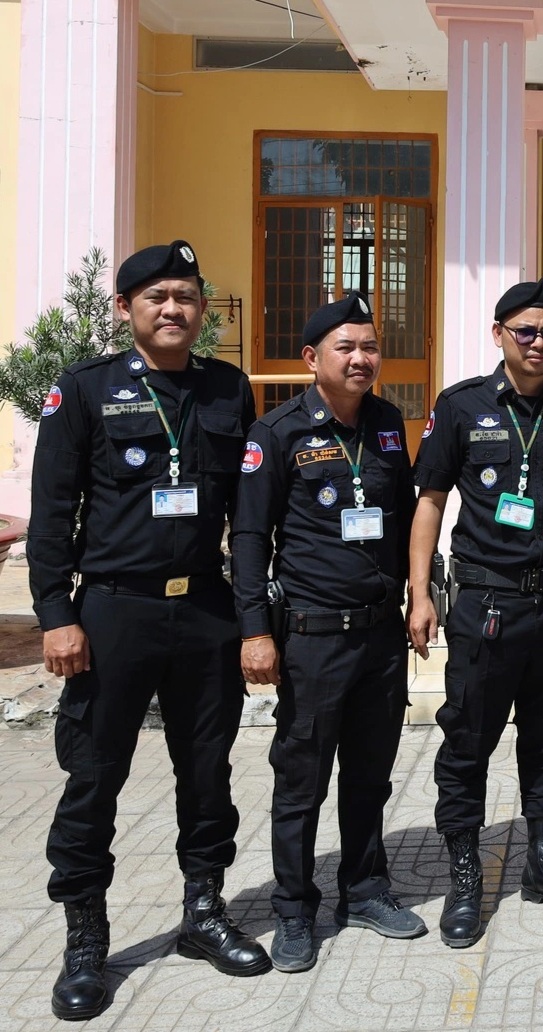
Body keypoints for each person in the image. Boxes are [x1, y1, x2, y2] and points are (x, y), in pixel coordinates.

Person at [30, 241, 270, 1020]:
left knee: (207, 776)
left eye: (186, 296)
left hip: (203, 609)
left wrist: (248, 616)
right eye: (157, 296)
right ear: (127, 309)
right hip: (114, 612)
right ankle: (86, 940)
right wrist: (57, 616)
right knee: (95, 776)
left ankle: (204, 911)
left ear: (202, 308)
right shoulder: (86, 391)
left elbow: (246, 516)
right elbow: (52, 514)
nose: (174, 309)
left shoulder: (229, 390)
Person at [408, 277, 543, 946]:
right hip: (487, 604)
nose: (537, 343)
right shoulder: (462, 406)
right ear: (498, 334)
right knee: (468, 743)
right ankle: (465, 876)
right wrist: (420, 591)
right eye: (524, 331)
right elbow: (431, 501)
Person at [231, 292, 425, 972]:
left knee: (369, 778)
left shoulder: (387, 424)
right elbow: (250, 539)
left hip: (379, 638)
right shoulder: (277, 433)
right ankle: (292, 910)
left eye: (370, 345)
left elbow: (400, 517)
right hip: (311, 639)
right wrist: (255, 631)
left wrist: (419, 597)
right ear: (312, 358)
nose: (362, 358)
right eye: (346, 347)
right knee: (302, 781)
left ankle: (365, 889)